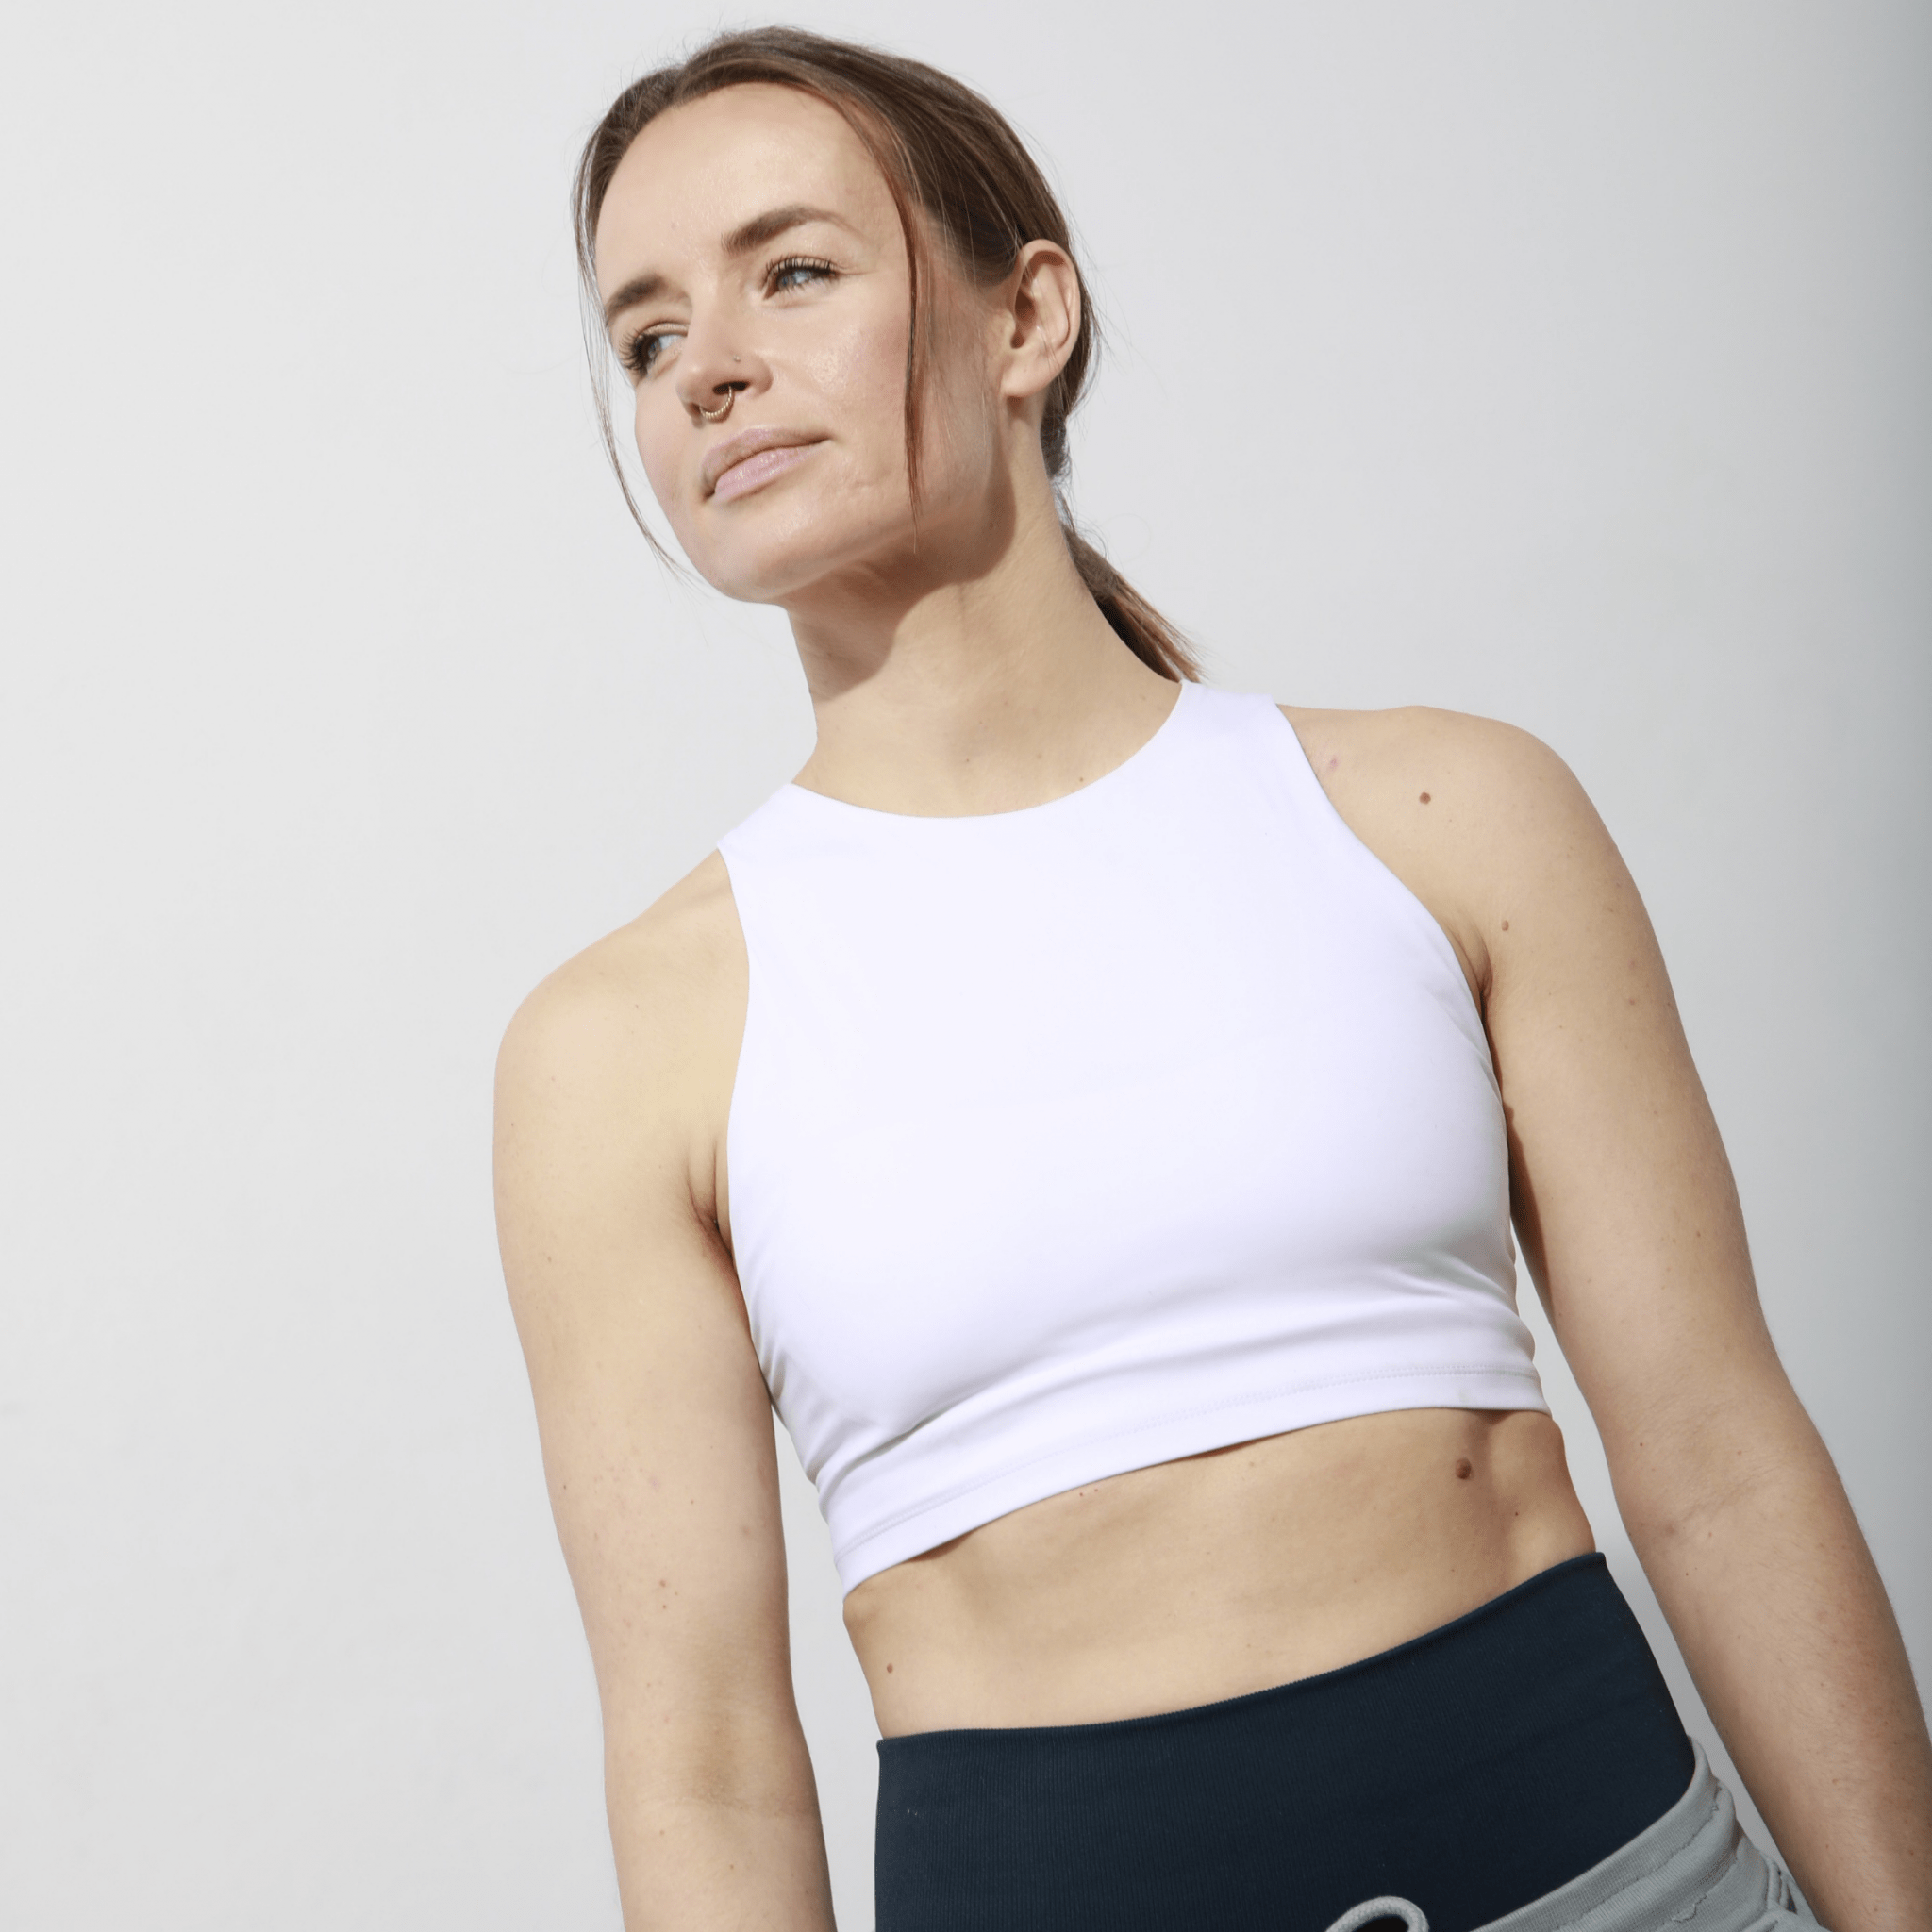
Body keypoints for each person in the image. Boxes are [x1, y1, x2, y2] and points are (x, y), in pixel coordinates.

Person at [492, 27, 1932, 1932]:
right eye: (649, 336)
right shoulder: (618, 1049)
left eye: (796, 270)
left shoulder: (1445, 816)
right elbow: (703, 1759)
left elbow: (1718, 1460)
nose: (711, 368)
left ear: (1027, 318)